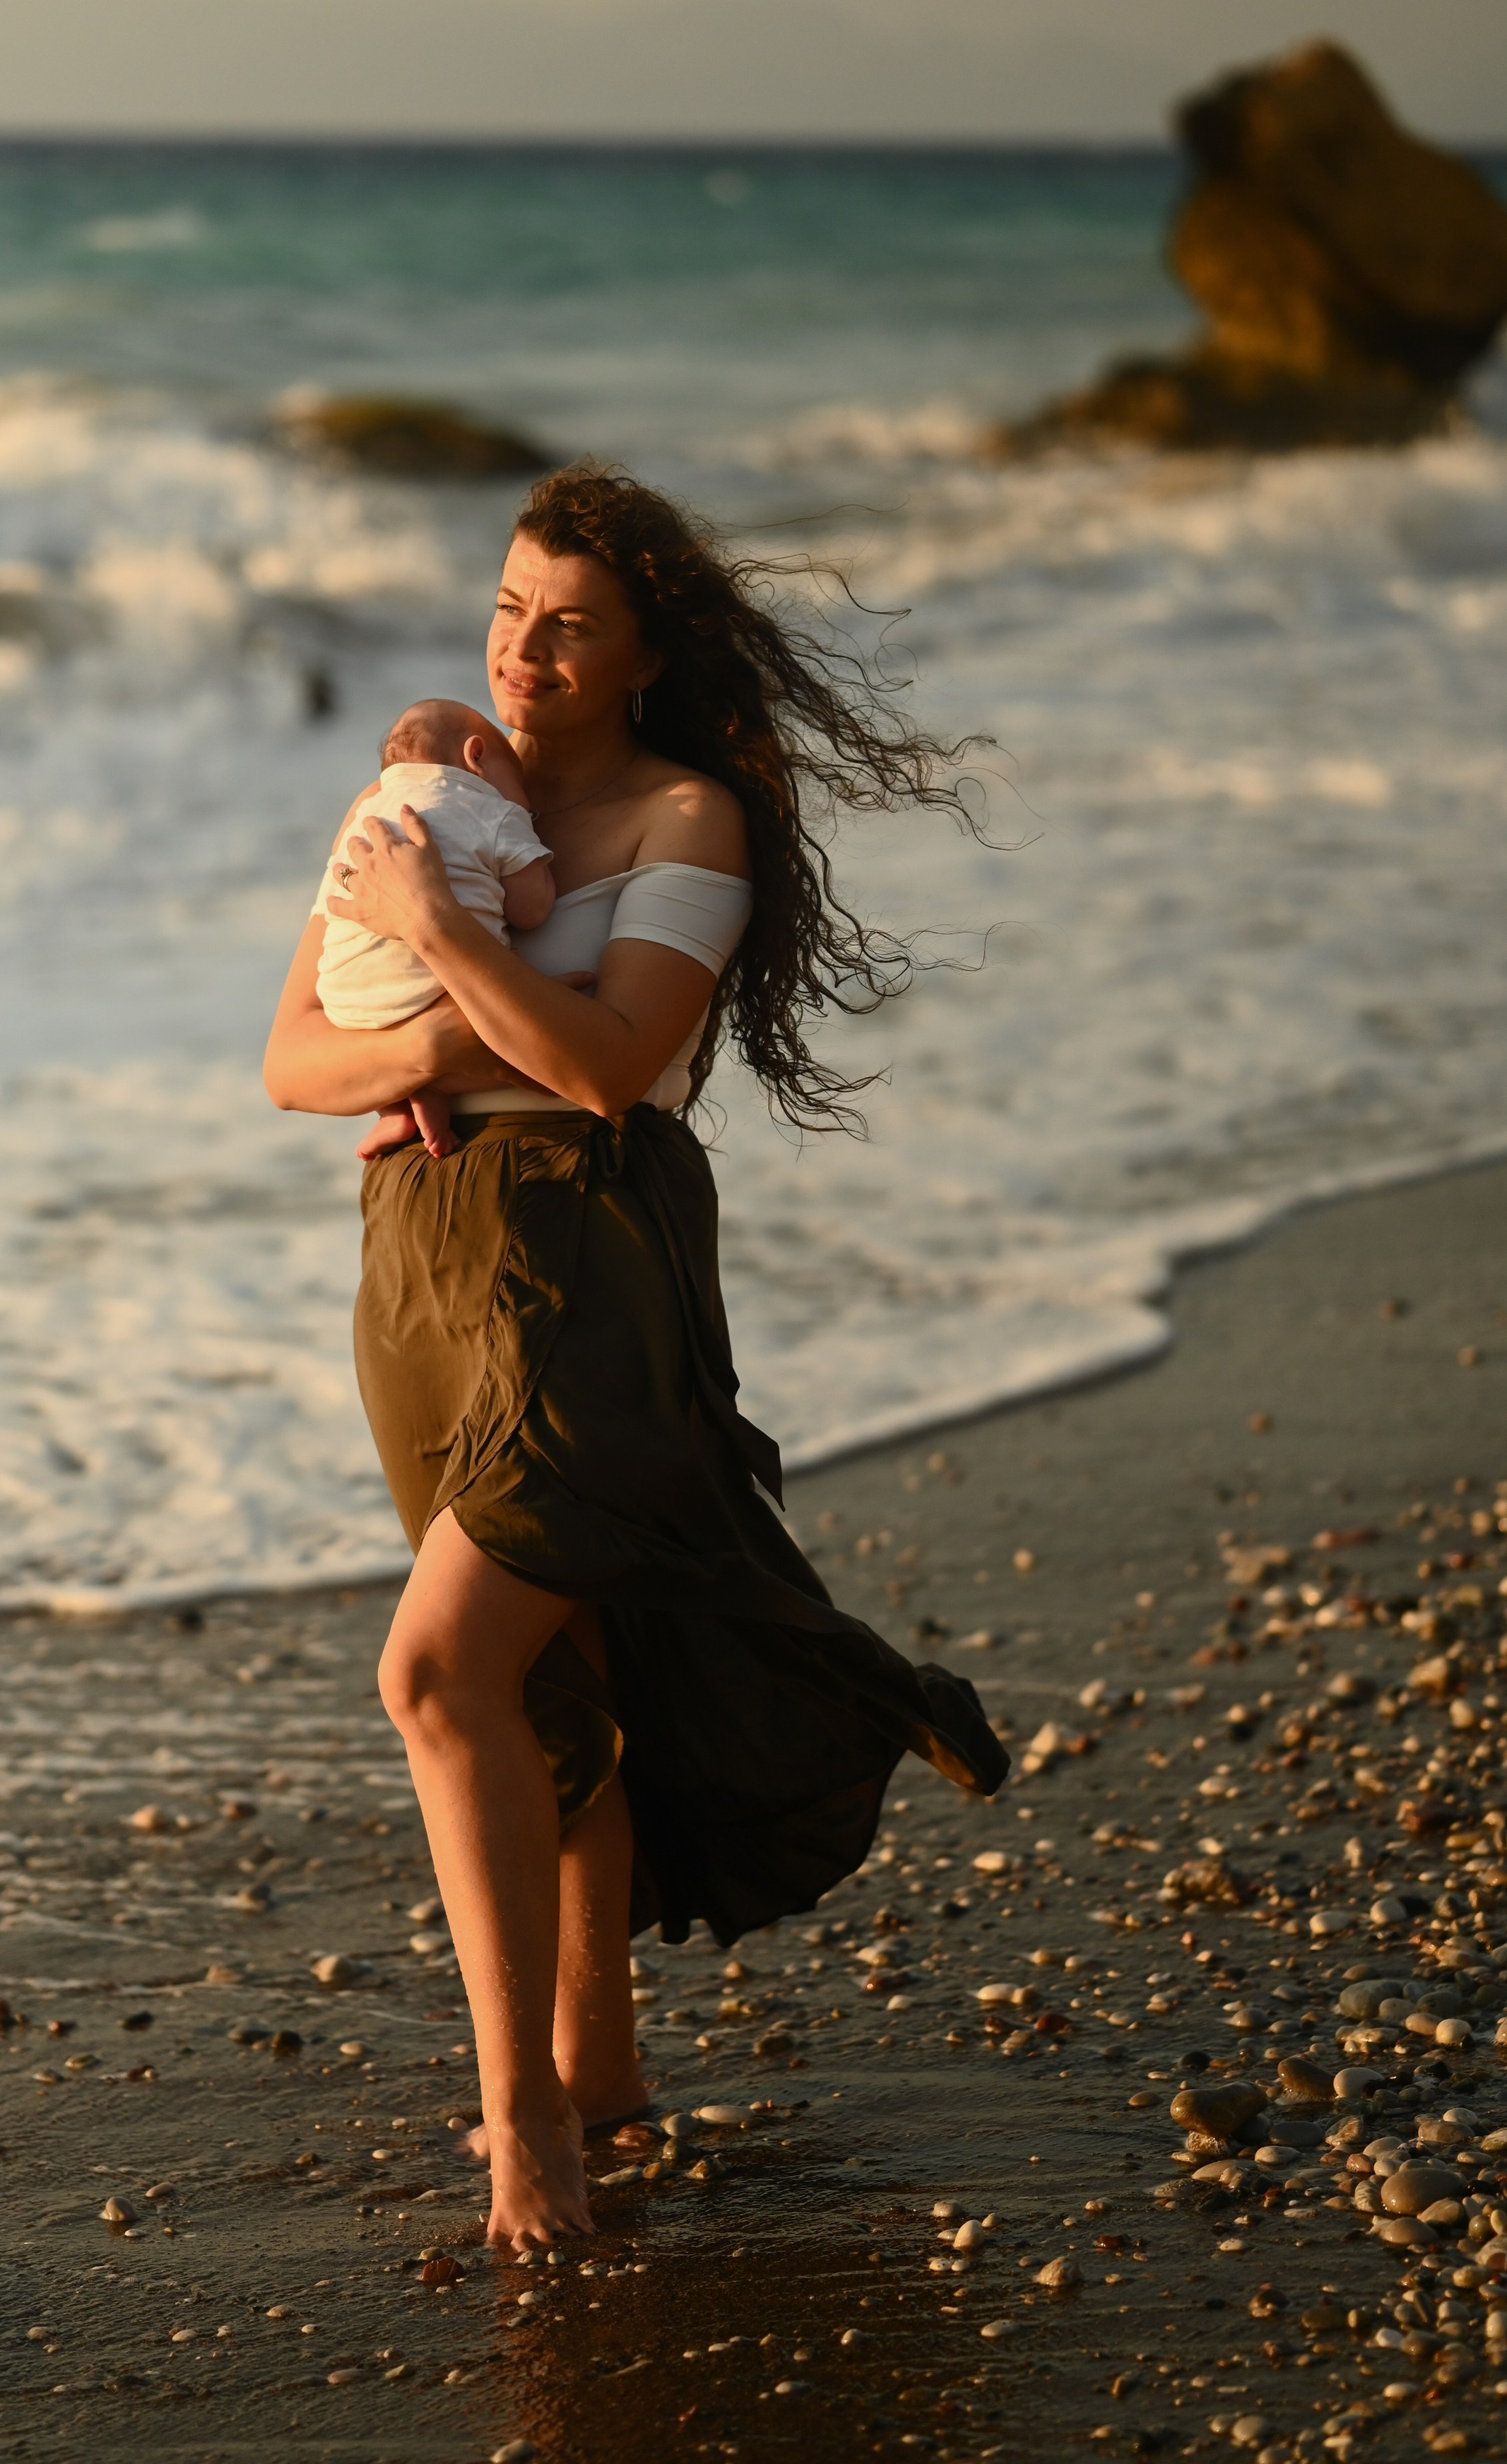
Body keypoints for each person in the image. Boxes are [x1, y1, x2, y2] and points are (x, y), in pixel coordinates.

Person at [263, 461, 1007, 2256]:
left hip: (595, 1256)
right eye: (510, 611)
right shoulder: (419, 796)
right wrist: (447, 1039)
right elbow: (292, 1058)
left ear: (645, 650)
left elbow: (610, 1066)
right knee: (544, 1694)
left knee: (435, 1673)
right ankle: (596, 2063)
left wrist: (439, 959)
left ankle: (522, 2112)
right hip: (423, 1273)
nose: (526, 650)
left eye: (570, 625)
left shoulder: (692, 822)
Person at [313, 696, 555, 1161]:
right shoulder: (494, 812)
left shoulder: (366, 817)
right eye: (521, 790)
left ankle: (400, 1107)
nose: (525, 804)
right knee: (449, 987)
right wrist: (533, 844)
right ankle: (432, 1091)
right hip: (434, 994)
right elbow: (532, 910)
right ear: (476, 756)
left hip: (346, 1005)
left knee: (392, 988)